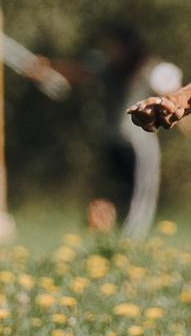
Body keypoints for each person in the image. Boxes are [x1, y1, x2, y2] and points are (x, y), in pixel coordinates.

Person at [26, 23, 180, 238]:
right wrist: (47, 67)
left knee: (137, 195)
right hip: (117, 142)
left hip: (135, 142)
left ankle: (128, 238)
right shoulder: (107, 68)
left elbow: (171, 95)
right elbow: (77, 71)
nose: (111, 52)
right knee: (123, 193)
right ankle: (118, 238)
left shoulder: (148, 70)